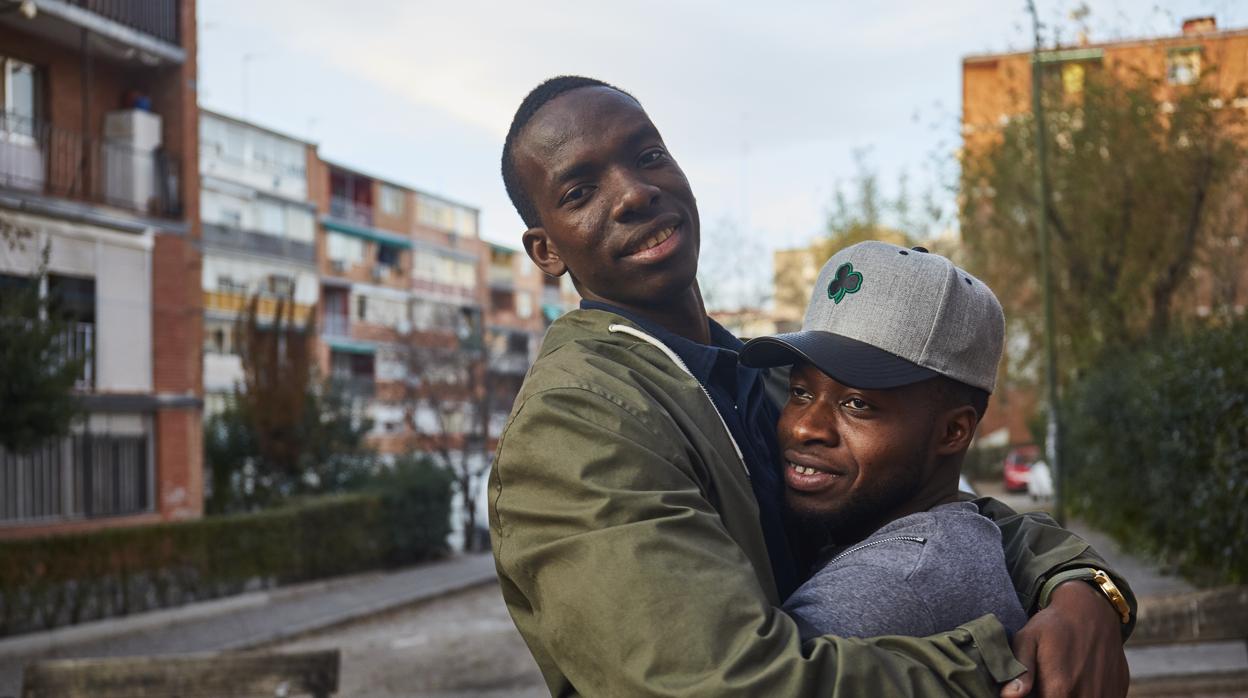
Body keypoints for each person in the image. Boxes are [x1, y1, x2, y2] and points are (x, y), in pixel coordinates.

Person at [489, 75, 1134, 697]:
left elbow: (930, 503)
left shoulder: (755, 375)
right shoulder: (577, 421)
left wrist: (1082, 587)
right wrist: (1003, 664)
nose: (633, 193)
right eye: (580, 191)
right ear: (546, 252)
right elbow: (718, 686)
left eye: (648, 155)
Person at [739, 241, 1032, 640]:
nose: (806, 427)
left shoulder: (893, 582)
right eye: (800, 392)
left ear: (952, 432)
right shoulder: (929, 537)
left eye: (857, 403)